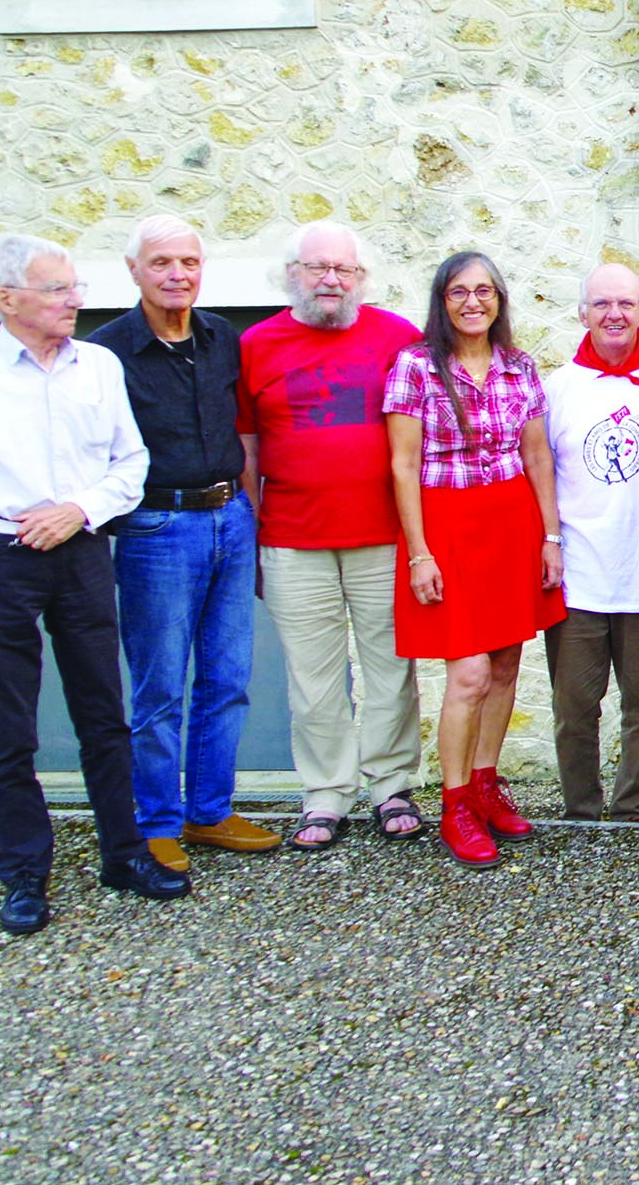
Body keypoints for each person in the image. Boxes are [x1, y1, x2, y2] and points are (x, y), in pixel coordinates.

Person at [0, 233, 185, 934]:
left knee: (105, 716)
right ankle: (23, 874)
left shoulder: (99, 367)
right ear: (6, 299)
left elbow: (129, 462)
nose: (73, 299)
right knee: (9, 730)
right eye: (56, 289)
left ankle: (123, 852)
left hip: (79, 552)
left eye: (74, 285)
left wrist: (79, 508)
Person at [88, 215, 279, 872]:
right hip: (156, 528)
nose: (177, 275)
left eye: (189, 263)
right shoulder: (106, 351)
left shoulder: (221, 337)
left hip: (230, 515)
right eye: (163, 262)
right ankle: (156, 821)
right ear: (134, 269)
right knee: (160, 687)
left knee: (227, 677)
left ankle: (209, 811)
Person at [238, 222, 424, 854]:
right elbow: (246, 448)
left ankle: (391, 785)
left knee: (390, 667)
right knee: (313, 678)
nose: (330, 280)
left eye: (344, 270)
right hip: (293, 539)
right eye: (316, 268)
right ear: (290, 273)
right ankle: (325, 793)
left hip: (382, 536)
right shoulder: (257, 345)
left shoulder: (397, 336)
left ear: (361, 279)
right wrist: (256, 529)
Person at [385, 251, 566, 869]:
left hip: (512, 525)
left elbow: (538, 457)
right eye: (459, 292)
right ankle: (455, 801)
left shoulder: (519, 366)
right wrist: (419, 554)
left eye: (485, 291)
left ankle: (487, 786)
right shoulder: (414, 367)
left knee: (508, 665)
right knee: (468, 674)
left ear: (499, 300)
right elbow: (403, 465)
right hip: (448, 527)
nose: (473, 302)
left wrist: (550, 537)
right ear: (442, 301)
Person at [540, 262, 639, 823]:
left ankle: (632, 810)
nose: (614, 314)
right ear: (582, 313)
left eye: (625, 303)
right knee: (574, 705)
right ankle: (580, 809)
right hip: (579, 571)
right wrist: (548, 543)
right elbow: (540, 472)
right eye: (601, 304)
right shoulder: (557, 389)